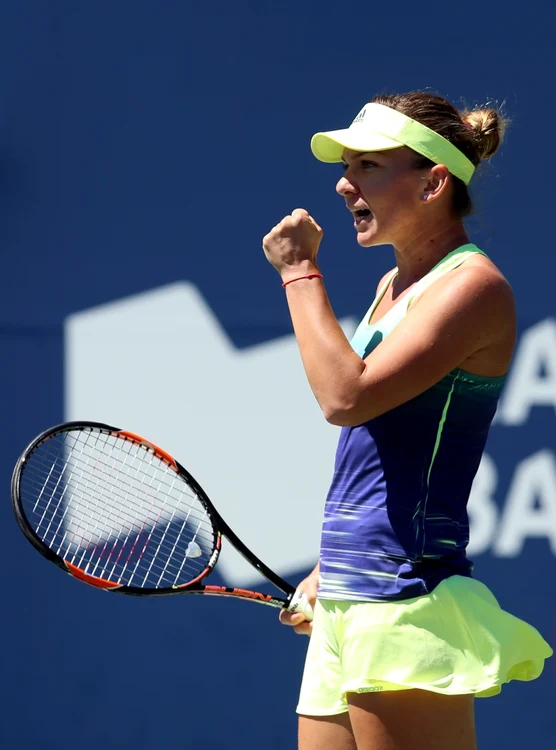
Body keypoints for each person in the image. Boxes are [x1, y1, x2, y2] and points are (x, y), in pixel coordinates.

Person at [262, 91, 553, 750]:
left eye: (367, 166)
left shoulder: (473, 288)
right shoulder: (390, 289)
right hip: (347, 594)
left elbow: (346, 398)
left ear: (433, 182)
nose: (343, 183)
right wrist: (329, 566)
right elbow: (372, 452)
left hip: (405, 601)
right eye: (346, 166)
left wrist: (301, 272)